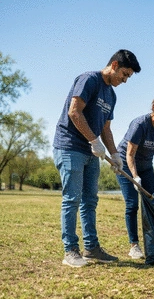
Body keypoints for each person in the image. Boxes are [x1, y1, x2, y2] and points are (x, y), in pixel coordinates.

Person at [53, 49, 141, 268]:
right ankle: (70, 251)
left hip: (92, 151)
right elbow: (75, 112)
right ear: (114, 65)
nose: (125, 80)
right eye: (125, 74)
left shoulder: (111, 95)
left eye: (128, 76)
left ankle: (91, 248)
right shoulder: (88, 80)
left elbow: (106, 128)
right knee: (72, 199)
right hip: (70, 146)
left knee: (90, 201)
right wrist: (94, 141)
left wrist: (114, 154)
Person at [116, 95, 154, 259]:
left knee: (153, 203)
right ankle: (134, 245)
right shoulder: (140, 124)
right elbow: (130, 154)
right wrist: (134, 176)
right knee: (132, 204)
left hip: (146, 166)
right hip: (125, 164)